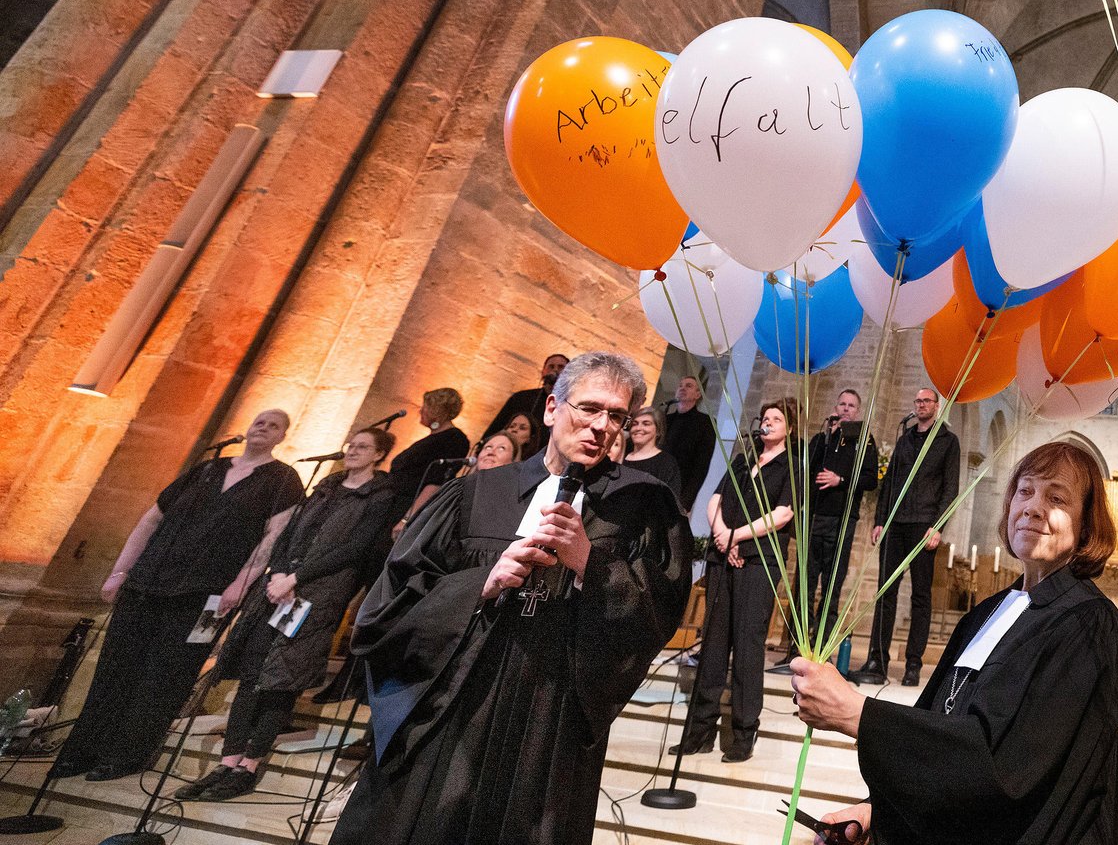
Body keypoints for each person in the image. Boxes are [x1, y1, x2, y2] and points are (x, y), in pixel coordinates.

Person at [330, 352, 691, 845]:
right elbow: (388, 604)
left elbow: (658, 616)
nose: (602, 426)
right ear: (551, 409)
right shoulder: (476, 492)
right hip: (452, 698)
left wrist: (590, 562)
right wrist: (481, 584)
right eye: (589, 409)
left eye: (617, 416)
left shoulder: (644, 505)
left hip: (549, 713)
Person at [790, 441, 1118, 845]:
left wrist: (856, 714)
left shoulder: (1089, 624)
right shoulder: (986, 614)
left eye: (1057, 498)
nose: (1033, 507)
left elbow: (1009, 769)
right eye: (1025, 491)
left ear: (1087, 525)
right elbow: (941, 723)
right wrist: (875, 814)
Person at [51, 410, 305, 782]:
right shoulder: (207, 469)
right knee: (114, 669)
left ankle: (127, 753)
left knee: (163, 676)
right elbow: (151, 519)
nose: (263, 428)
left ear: (283, 436)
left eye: (274, 425)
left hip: (205, 593)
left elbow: (272, 537)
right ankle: (81, 750)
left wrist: (241, 583)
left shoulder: (283, 479)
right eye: (260, 421)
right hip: (147, 582)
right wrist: (121, 570)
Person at [186, 427, 401, 801]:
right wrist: (280, 573)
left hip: (317, 595)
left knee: (280, 679)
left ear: (379, 455)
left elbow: (355, 548)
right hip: (279, 587)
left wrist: (297, 579)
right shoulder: (326, 486)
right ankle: (228, 760)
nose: (352, 451)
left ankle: (249, 766)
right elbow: (287, 535)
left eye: (363, 447)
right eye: (351, 444)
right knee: (252, 672)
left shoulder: (380, 496)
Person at [677, 400, 796, 763]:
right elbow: (714, 500)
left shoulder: (791, 466)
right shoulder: (744, 461)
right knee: (712, 643)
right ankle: (699, 731)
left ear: (789, 429)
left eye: (776, 419)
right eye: (765, 418)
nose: (768, 423)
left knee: (747, 644)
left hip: (758, 561)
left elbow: (783, 513)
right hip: (722, 556)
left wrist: (738, 536)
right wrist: (721, 535)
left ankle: (743, 733)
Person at [851, 388, 959, 687]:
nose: (921, 405)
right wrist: (880, 520)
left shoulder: (948, 442)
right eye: (918, 401)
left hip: (924, 525)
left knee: (920, 596)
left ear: (936, 407)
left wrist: (939, 525)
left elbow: (951, 487)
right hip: (895, 524)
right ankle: (877, 660)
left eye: (926, 401)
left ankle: (913, 663)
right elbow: (890, 482)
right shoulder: (905, 438)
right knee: (885, 592)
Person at [775, 389, 878, 672]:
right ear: (836, 407)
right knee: (804, 586)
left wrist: (840, 479)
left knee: (831, 586)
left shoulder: (864, 441)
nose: (846, 409)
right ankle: (796, 649)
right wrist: (828, 435)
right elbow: (806, 472)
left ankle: (822, 650)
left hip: (842, 521)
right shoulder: (822, 438)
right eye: (842, 404)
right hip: (815, 518)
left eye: (851, 406)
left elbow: (871, 479)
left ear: (857, 411)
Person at [391, 431, 523, 538]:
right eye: (488, 447)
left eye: (501, 448)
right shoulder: (457, 488)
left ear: (512, 462)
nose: (491, 451)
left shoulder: (508, 501)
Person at [386, 388, 470, 530]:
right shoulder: (433, 438)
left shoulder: (455, 440)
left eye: (425, 407)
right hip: (393, 503)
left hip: (405, 507)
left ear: (437, 412)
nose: (421, 411)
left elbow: (436, 481)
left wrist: (407, 519)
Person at [482, 353, 569, 441]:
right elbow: (496, 429)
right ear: (543, 372)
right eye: (551, 366)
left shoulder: (570, 404)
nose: (555, 370)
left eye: (561, 367)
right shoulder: (520, 398)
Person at [662, 374, 717, 512]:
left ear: (697, 394)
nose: (682, 388)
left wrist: (686, 502)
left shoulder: (705, 423)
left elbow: (701, 466)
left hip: (679, 488)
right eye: (680, 385)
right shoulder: (665, 420)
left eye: (689, 386)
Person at [624, 407, 686, 506]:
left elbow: (669, 502)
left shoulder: (666, 464)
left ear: (658, 431)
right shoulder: (621, 455)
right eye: (635, 424)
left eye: (646, 424)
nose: (638, 428)